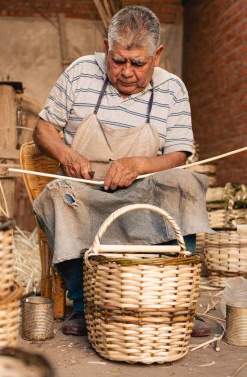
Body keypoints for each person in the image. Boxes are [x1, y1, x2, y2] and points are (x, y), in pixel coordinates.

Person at [33, 5, 212, 336]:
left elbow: (178, 155)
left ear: (156, 55)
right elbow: (43, 129)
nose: (126, 72)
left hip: (144, 187)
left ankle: (176, 302)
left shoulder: (173, 89)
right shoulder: (80, 73)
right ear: (106, 48)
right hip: (84, 187)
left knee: (186, 186)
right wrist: (67, 154)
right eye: (118, 61)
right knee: (57, 196)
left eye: (138, 63)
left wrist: (139, 165)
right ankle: (86, 306)